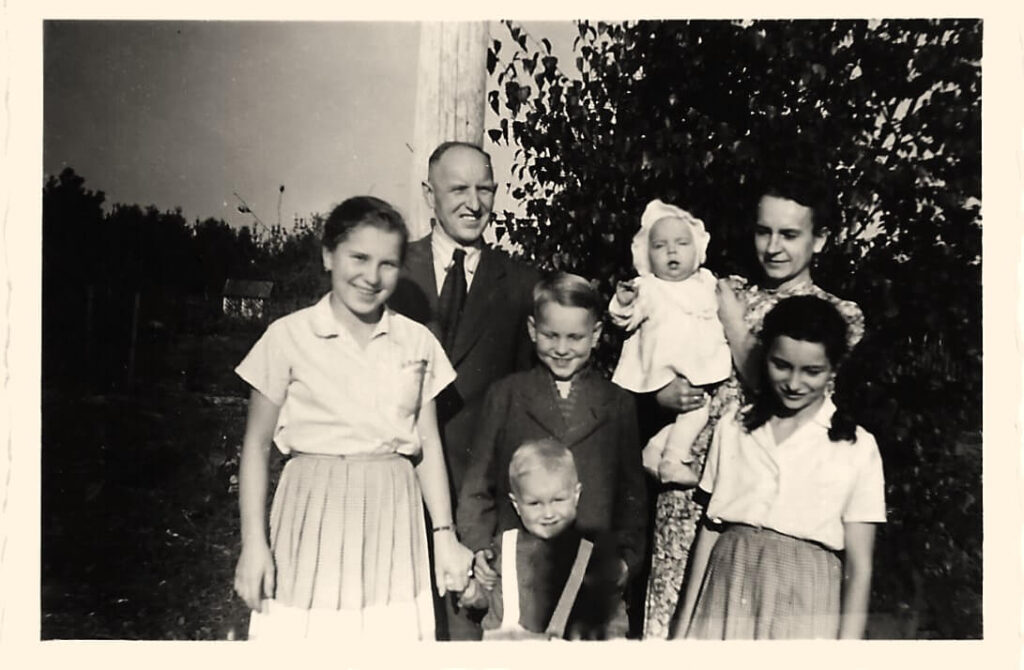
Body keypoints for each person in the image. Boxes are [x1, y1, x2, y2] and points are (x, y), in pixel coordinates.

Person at [232, 196, 473, 640]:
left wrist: (444, 534)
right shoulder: (286, 336)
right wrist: (254, 544)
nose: (371, 276)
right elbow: (257, 447)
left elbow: (428, 445)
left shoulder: (416, 342)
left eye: (387, 263)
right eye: (358, 257)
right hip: (312, 513)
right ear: (328, 255)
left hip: (393, 517)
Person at [642, 163, 866, 639]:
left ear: (820, 239)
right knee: (670, 630)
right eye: (764, 231)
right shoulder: (720, 287)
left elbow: (785, 397)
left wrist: (733, 323)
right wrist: (659, 395)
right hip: (685, 495)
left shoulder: (834, 316)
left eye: (789, 234)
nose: (773, 246)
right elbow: (655, 347)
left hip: (748, 511)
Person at [389, 141, 539, 640]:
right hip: (395, 485)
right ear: (429, 194)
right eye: (458, 189)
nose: (473, 202)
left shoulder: (520, 283)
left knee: (464, 634)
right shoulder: (388, 273)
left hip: (478, 497)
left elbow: (524, 400)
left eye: (485, 189)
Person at [672, 295, 885, 639]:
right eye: (781, 365)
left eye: (812, 371)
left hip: (806, 596)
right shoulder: (734, 427)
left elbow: (859, 568)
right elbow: (710, 532)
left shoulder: (857, 447)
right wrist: (681, 633)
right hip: (729, 582)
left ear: (833, 368)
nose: (794, 383)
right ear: (765, 356)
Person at [457, 273, 648, 630]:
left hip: (591, 573)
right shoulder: (507, 395)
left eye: (575, 337)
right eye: (550, 335)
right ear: (532, 330)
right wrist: (480, 546)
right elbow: (477, 482)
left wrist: (626, 560)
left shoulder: (616, 402)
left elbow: (631, 496)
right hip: (519, 573)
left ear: (595, 334)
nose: (562, 348)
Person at [609, 199, 732, 487]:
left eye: (681, 243)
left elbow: (722, 304)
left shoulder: (706, 281)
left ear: (698, 249)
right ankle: (673, 459)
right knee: (698, 410)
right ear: (647, 256)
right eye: (660, 246)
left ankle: (653, 451)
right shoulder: (648, 287)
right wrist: (624, 302)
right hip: (667, 370)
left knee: (700, 411)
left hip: (700, 365)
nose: (671, 251)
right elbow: (624, 318)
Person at [457, 439, 630, 640]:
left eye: (558, 500)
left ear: (576, 495)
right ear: (516, 505)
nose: (548, 513)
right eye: (535, 503)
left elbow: (612, 619)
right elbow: (491, 598)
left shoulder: (593, 559)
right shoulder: (504, 549)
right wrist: (472, 593)